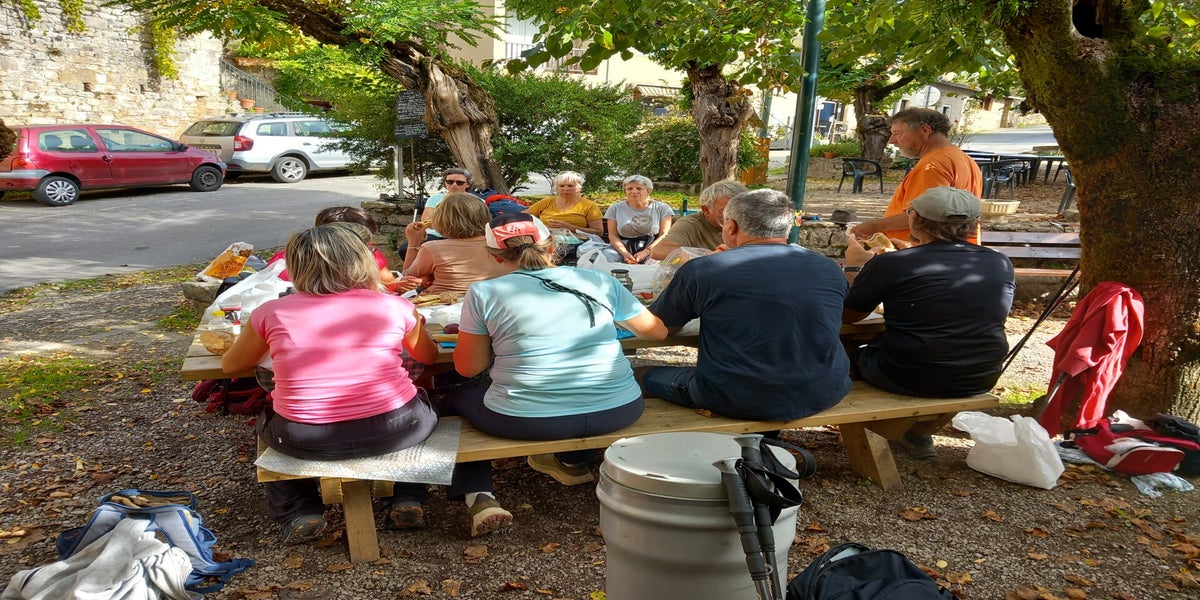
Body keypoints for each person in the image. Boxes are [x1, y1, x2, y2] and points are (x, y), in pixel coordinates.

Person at [220, 225, 440, 544]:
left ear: (295, 267)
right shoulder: (396, 306)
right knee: (425, 404)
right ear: (362, 261)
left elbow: (231, 365)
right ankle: (408, 496)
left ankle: (300, 511)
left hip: (304, 436)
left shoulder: (271, 312)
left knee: (266, 420)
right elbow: (429, 356)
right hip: (397, 428)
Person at [442, 213, 667, 516]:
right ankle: (571, 460)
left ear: (494, 256)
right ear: (552, 246)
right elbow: (656, 332)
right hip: (619, 409)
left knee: (451, 397)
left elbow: (468, 368)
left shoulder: (484, 292)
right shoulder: (599, 280)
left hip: (526, 420)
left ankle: (478, 493)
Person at [643, 189, 852, 420]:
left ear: (731, 227)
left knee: (649, 376)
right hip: (825, 390)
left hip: (734, 396)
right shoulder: (829, 268)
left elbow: (661, 327)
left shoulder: (704, 268)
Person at [842, 187, 1014, 458]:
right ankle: (915, 432)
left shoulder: (893, 264)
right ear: (974, 224)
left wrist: (854, 267)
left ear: (914, 219)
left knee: (846, 346)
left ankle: (871, 439)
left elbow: (849, 315)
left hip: (906, 374)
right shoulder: (999, 262)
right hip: (980, 375)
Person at [849, 108, 982, 244]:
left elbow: (924, 216)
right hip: (957, 249)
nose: (891, 141)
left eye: (897, 133)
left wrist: (874, 226)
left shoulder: (932, 165)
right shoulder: (964, 159)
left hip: (924, 251)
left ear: (925, 130)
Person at [267, 205, 416, 292]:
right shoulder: (293, 261)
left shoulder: (369, 252)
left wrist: (399, 285)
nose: (367, 245)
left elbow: (388, 282)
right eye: (361, 239)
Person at [401, 192, 510, 294]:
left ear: (442, 220)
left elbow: (407, 278)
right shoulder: (501, 243)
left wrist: (413, 242)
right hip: (491, 299)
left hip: (445, 301)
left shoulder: (433, 248)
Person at [649, 180, 748, 260]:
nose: (736, 215)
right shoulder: (691, 224)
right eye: (726, 211)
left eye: (740, 210)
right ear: (706, 210)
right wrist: (711, 256)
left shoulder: (750, 220)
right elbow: (658, 251)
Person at [605, 175, 675, 264]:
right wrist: (624, 253)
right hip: (621, 247)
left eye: (639, 188)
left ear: (648, 191)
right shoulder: (614, 208)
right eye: (629, 189)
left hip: (652, 246)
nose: (634, 191)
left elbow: (664, 235)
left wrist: (646, 252)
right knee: (608, 258)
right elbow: (613, 235)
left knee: (654, 264)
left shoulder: (662, 208)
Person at [524, 171, 604, 237]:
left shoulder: (589, 206)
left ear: (579, 188)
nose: (566, 189)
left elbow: (599, 232)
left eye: (570, 186)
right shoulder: (546, 202)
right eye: (561, 186)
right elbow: (522, 217)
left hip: (576, 242)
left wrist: (571, 228)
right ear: (557, 188)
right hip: (545, 239)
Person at [417, 168, 484, 243]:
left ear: (468, 184)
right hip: (436, 236)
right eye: (450, 182)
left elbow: (478, 224)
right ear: (445, 183)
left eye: (459, 182)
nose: (454, 185)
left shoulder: (477, 201)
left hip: (465, 237)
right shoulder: (434, 199)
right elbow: (426, 221)